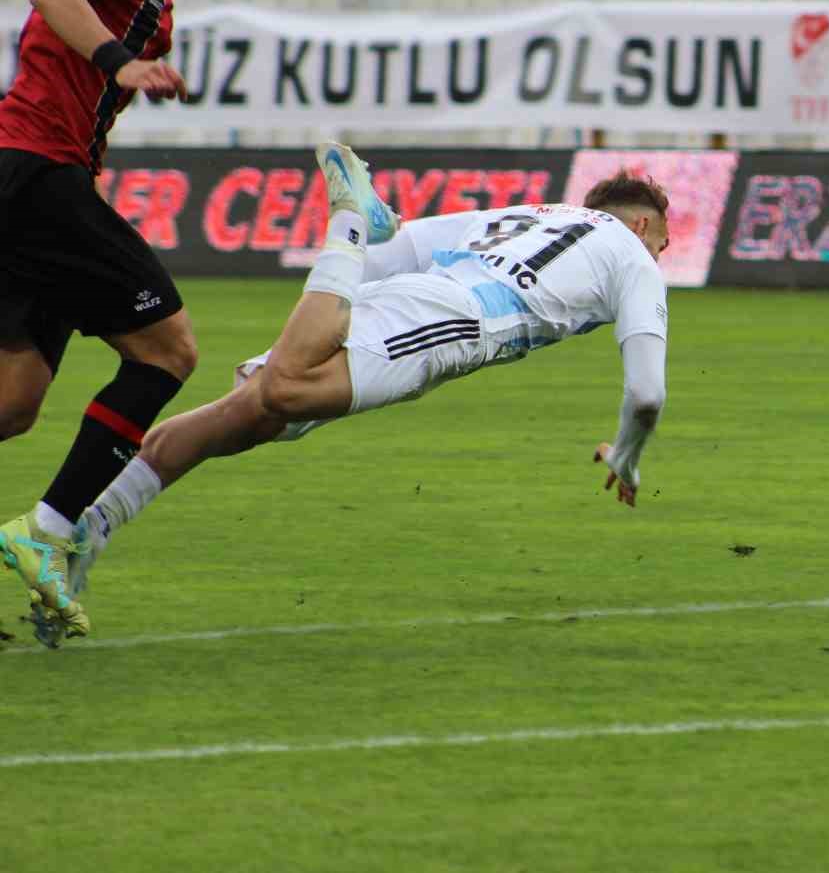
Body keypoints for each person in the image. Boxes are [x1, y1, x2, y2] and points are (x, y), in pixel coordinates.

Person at [33, 143, 670, 646]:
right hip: (459, 321)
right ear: (642, 223)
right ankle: (343, 219)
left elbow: (398, 249)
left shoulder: (533, 215)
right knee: (284, 389)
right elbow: (645, 393)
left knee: (249, 412)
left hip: (413, 296)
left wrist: (345, 285)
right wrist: (627, 457)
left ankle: (85, 531)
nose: (660, 255)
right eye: (661, 242)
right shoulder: (634, 258)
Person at [0, 0, 237, 639]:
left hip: (34, 173)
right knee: (170, 350)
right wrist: (121, 62)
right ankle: (48, 533)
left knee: (12, 403)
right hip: (36, 173)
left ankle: (44, 534)